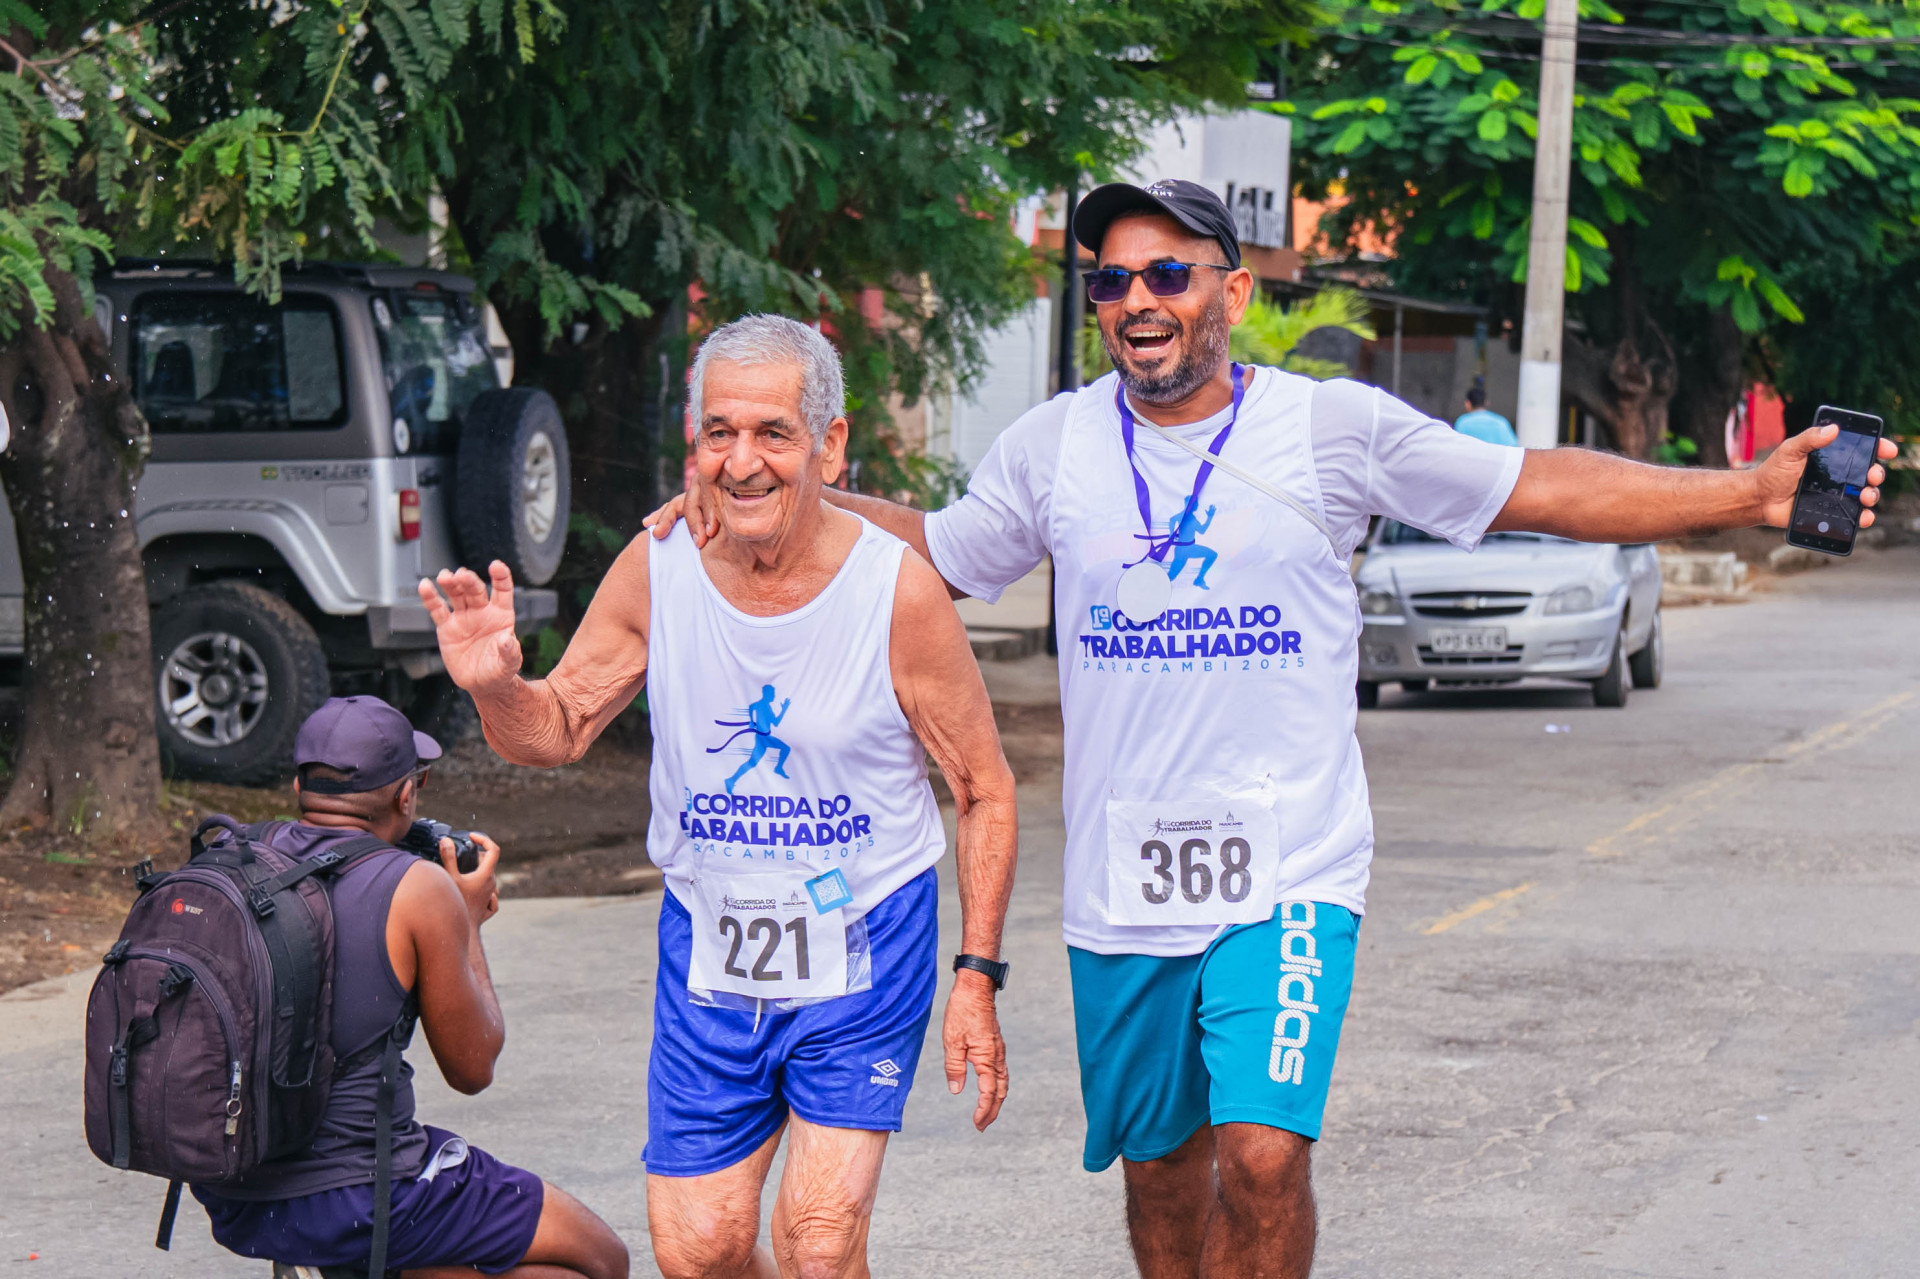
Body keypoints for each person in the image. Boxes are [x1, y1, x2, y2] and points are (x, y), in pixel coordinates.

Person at [647, 178, 1895, 1278]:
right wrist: (770, 480)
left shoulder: (1329, 429)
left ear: (1232, 293)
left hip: (1289, 867)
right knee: (1161, 1176)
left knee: (1263, 1155)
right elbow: (945, 553)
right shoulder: (1055, 446)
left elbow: (1535, 488)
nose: (1138, 297)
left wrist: (1745, 491)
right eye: (1111, 279)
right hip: (1122, 888)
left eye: (1168, 273)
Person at [420, 314, 1019, 1279]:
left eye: (773, 433)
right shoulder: (659, 569)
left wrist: (976, 977)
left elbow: (984, 788)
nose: (742, 463)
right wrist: (494, 685)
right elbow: (557, 729)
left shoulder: (895, 592)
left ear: (829, 443)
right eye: (719, 434)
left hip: (865, 937)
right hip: (713, 946)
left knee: (818, 1244)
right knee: (700, 1250)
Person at [192, 695, 629, 1279]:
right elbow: (473, 1069)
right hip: (364, 1194)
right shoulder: (418, 888)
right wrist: (466, 922)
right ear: (406, 795)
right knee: (600, 1260)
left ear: (301, 786)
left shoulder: (230, 857)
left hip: (234, 1189)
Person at [1454, 384, 1520, 446]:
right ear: (1486, 402)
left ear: (1468, 403)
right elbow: (1513, 446)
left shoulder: (1462, 422)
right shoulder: (1501, 422)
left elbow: (1456, 447)